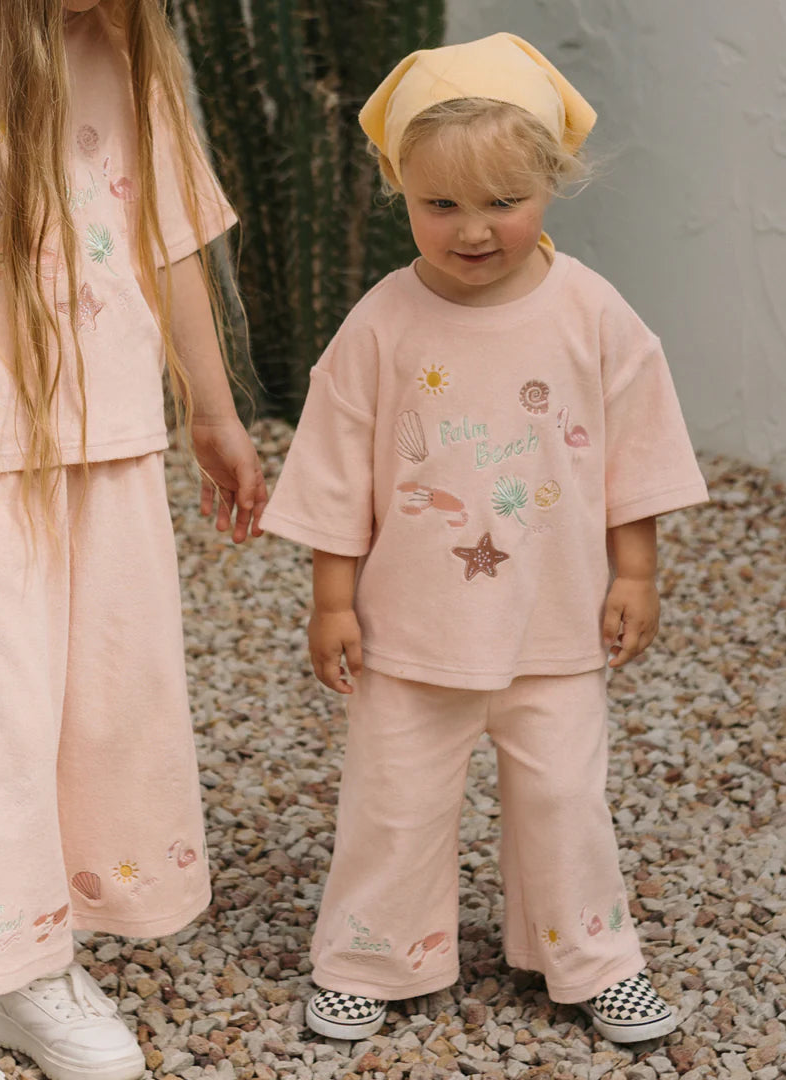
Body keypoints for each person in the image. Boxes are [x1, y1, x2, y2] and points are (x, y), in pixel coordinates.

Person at [0, 1, 266, 1077]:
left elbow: (170, 244)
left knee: (104, 711)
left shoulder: (121, 45)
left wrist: (211, 412)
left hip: (110, 443)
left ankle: (22, 966)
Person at [259, 33, 709, 1045]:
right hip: (411, 633)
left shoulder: (593, 314)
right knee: (394, 799)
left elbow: (633, 452)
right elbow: (335, 474)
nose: (471, 231)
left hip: (554, 625)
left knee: (565, 799)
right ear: (400, 189)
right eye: (441, 205)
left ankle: (590, 955)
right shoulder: (381, 324)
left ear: (553, 182)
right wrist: (333, 598)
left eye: (504, 202)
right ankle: (369, 954)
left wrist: (635, 568)